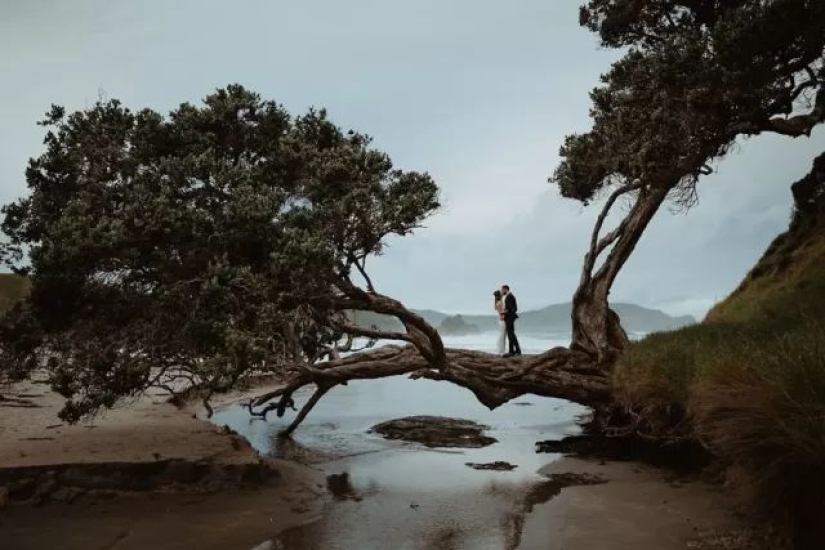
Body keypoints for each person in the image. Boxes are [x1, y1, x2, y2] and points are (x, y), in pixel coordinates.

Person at [501, 285, 521, 357]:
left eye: (502, 290)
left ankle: (514, 351)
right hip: (511, 317)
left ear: (505, 289)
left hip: (510, 317)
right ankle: (513, 351)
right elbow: (515, 308)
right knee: (511, 334)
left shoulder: (509, 296)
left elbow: (511, 308)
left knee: (511, 334)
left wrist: (504, 312)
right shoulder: (511, 296)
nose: (502, 291)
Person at [493, 290, 507, 356]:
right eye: (501, 293)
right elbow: (501, 312)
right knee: (502, 336)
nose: (502, 293)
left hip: (502, 320)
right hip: (502, 320)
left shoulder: (500, 302)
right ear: (499, 295)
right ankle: (500, 351)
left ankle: (501, 351)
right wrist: (508, 311)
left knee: (503, 335)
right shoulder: (499, 303)